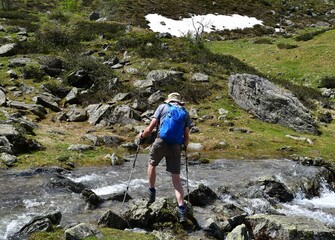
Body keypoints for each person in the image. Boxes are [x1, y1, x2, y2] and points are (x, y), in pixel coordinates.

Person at [137, 92, 191, 222]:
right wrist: (184, 146)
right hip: (176, 146)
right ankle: (182, 210)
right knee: (176, 179)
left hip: (161, 141)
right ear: (179, 102)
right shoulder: (185, 113)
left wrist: (142, 135)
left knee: (152, 164)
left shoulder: (162, 107)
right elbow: (187, 136)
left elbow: (150, 128)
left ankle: (151, 193)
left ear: (169, 100)